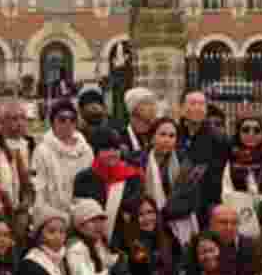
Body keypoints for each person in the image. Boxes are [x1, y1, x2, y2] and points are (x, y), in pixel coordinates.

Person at [72, 126, 143, 249]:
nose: (112, 153)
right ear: (96, 151)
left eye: (115, 148)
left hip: (125, 244)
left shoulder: (132, 177)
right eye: (105, 149)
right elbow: (81, 216)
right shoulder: (83, 179)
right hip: (92, 244)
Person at [142, 116, 202, 252]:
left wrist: (163, 214)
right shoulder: (139, 161)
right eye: (162, 134)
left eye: (172, 136)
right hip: (146, 224)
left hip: (178, 226)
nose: (167, 140)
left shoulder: (184, 163)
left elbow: (192, 200)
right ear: (152, 137)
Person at [176, 90, 230, 228]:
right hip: (178, 202)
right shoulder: (174, 135)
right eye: (192, 103)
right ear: (181, 109)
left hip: (207, 204)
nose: (198, 108)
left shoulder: (219, 139)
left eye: (202, 104)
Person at [30, 100, 94, 216]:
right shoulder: (42, 151)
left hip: (82, 213)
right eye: (62, 119)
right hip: (53, 215)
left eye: (72, 119)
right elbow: (39, 189)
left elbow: (91, 185)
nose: (68, 123)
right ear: (52, 122)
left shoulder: (86, 150)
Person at [221, 114, 262, 227]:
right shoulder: (229, 156)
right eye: (245, 130)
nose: (251, 134)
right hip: (235, 216)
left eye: (257, 130)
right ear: (238, 133)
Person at [123, 86, 159, 160]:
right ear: (133, 108)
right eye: (147, 103)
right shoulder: (121, 138)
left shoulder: (158, 135)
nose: (153, 107)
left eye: (153, 103)